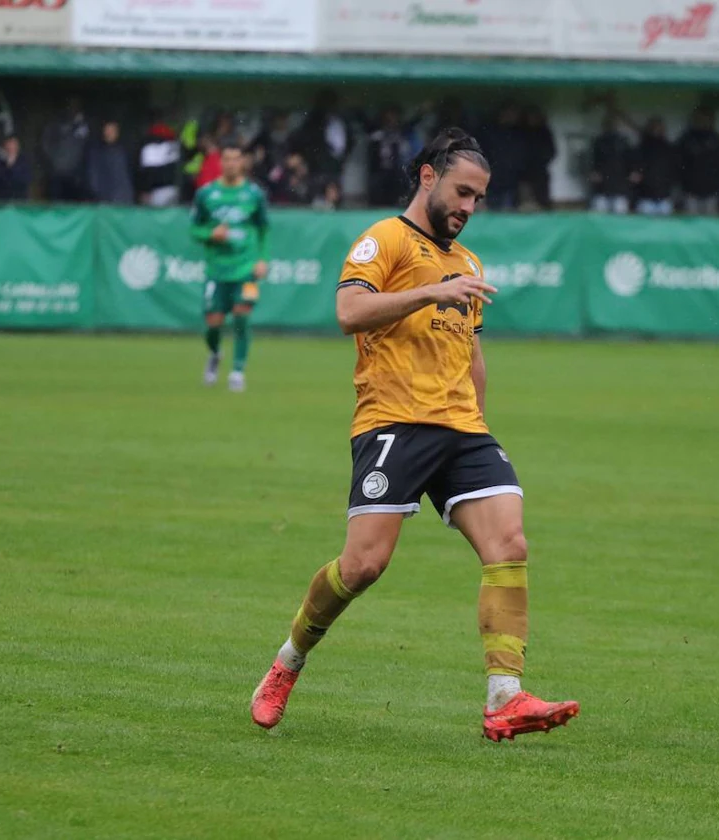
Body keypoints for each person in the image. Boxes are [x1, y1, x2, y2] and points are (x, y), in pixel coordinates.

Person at [249, 128, 580, 741]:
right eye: (461, 192)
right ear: (428, 177)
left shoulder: (469, 265)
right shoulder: (387, 239)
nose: (469, 208)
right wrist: (429, 289)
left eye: (479, 198)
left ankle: (504, 696)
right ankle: (287, 663)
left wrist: (478, 423)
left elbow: (472, 355)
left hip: (463, 429)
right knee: (364, 566)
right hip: (393, 422)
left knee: (509, 543)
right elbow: (349, 312)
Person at [190, 138, 269, 393]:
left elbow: (263, 228)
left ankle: (237, 371)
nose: (231, 163)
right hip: (216, 270)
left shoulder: (254, 194)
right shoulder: (206, 194)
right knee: (213, 323)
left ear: (243, 162)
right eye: (227, 158)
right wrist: (210, 234)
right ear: (220, 161)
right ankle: (214, 354)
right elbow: (194, 229)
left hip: (246, 269)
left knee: (242, 316)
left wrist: (261, 259)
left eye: (236, 158)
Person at [86, 120, 134, 205]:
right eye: (107, 130)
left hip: (124, 198)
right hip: (104, 198)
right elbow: (93, 176)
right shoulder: (97, 152)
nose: (109, 133)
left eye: (112, 131)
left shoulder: (124, 151)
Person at [0, 135, 32, 201]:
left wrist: (12, 167)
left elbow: (26, 180)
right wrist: (8, 166)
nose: (11, 148)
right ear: (4, 146)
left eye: (13, 145)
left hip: (19, 201)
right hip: (1, 201)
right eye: (9, 145)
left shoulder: (24, 162)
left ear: (17, 147)